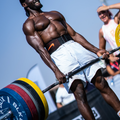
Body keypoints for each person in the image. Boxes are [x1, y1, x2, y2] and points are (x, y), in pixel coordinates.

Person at [19, 0, 120, 119]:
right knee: (80, 93)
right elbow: (41, 50)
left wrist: (96, 50)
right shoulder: (29, 24)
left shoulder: (55, 13)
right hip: (60, 55)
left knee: (101, 83)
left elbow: (75, 35)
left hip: (76, 47)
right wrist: (56, 70)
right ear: (24, 4)